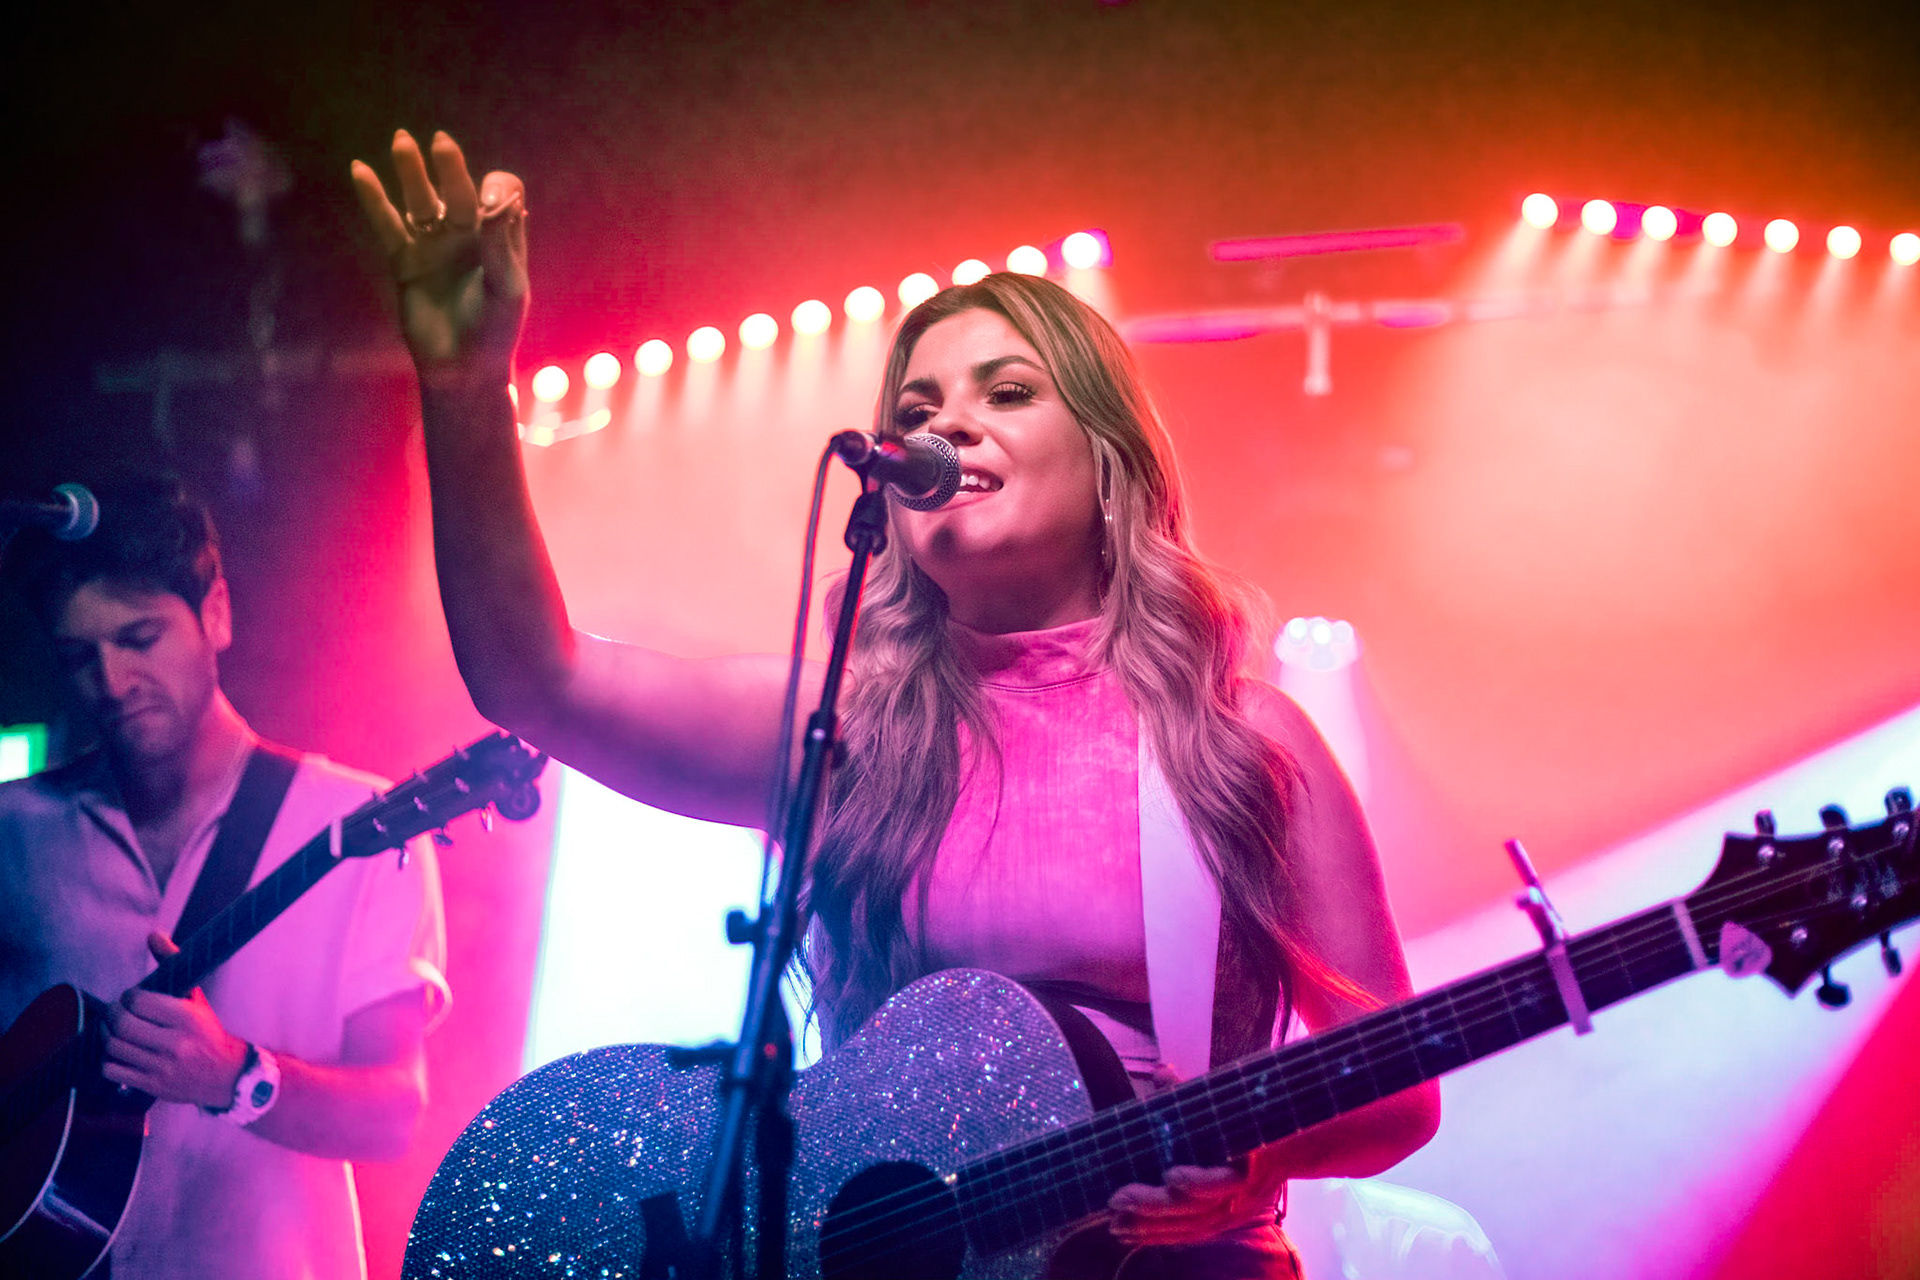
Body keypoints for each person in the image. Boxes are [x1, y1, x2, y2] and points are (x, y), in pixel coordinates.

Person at [351, 129, 1439, 1277]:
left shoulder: (1239, 741)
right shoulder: (848, 734)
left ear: (1110, 461)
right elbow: (537, 679)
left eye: (1008, 392)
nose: (946, 422)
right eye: (918, 402)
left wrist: (1260, 1156)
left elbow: (1398, 1086)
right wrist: (467, 389)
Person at [0, 479, 450, 1280]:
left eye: (139, 637)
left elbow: (395, 1116)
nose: (111, 682)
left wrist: (240, 1078)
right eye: (79, 656)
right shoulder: (14, 830)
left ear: (215, 613)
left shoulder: (359, 825)